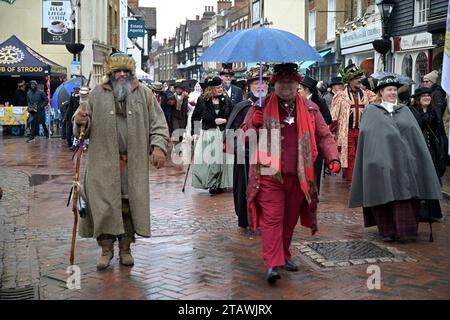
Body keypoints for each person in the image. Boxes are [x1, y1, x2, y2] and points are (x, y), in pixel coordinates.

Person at [241, 63, 340, 284]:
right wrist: (253, 125)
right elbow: (243, 139)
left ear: (297, 84)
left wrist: (333, 157)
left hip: (300, 174)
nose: (286, 86)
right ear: (274, 85)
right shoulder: (260, 106)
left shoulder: (310, 108)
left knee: (289, 219)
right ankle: (272, 263)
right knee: (272, 218)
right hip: (268, 174)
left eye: (291, 82)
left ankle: (283, 254)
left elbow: (324, 136)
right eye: (281, 83)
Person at [72, 53, 169, 270]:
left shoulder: (144, 94)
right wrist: (79, 121)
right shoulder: (96, 95)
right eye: (118, 71)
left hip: (132, 165)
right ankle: (106, 250)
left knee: (127, 206)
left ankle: (125, 248)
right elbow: (81, 131)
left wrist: (159, 147)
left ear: (131, 73)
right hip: (102, 165)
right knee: (104, 206)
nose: (122, 75)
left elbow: (159, 124)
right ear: (111, 74)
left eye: (126, 71)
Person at [349, 76, 442, 242]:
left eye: (394, 89)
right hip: (382, 163)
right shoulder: (372, 112)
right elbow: (369, 137)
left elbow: (415, 135)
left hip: (406, 164)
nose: (392, 92)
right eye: (388, 90)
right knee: (384, 196)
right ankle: (388, 231)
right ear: (381, 92)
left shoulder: (404, 111)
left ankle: (404, 230)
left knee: (406, 196)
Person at [225, 64, 271, 233]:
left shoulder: (274, 104)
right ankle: (246, 218)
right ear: (249, 87)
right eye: (256, 84)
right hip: (245, 155)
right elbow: (231, 133)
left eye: (264, 83)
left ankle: (267, 218)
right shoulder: (242, 106)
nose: (260, 87)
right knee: (244, 187)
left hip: (268, 155)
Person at [409, 87, 448, 221]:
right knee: (419, 180)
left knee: (431, 179)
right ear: (418, 99)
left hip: (432, 151)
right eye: (424, 96)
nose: (427, 98)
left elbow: (440, 132)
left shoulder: (434, 112)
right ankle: (419, 212)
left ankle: (432, 212)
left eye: (428, 96)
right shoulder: (412, 112)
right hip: (417, 152)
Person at [191, 76, 233, 195]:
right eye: (217, 87)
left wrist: (225, 121)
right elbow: (196, 117)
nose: (220, 89)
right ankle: (213, 183)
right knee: (212, 161)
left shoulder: (226, 99)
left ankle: (220, 184)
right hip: (209, 133)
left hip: (223, 133)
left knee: (222, 161)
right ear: (210, 88)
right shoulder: (202, 100)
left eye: (221, 86)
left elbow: (233, 114)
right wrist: (195, 132)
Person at [330, 64, 370, 186]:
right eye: (356, 78)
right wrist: (332, 133)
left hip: (363, 131)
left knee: (362, 155)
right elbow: (334, 115)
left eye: (359, 77)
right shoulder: (340, 96)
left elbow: (378, 100)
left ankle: (361, 179)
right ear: (350, 80)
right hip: (347, 131)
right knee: (351, 155)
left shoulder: (367, 94)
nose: (359, 80)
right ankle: (352, 181)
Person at [298, 75, 332, 193]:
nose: (298, 91)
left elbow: (328, 119)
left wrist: (315, 124)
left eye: (300, 89)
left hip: (316, 141)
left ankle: (314, 192)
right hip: (303, 141)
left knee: (315, 169)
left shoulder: (319, 102)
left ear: (307, 89)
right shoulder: (297, 101)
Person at [65, 86, 80, 150]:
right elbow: (69, 107)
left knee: (76, 131)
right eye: (74, 89)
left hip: (78, 116)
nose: (75, 90)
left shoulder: (80, 97)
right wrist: (66, 116)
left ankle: (75, 145)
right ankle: (70, 144)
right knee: (69, 132)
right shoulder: (71, 96)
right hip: (71, 116)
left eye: (77, 89)